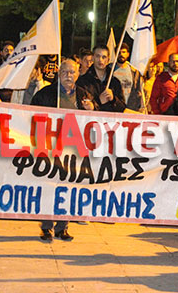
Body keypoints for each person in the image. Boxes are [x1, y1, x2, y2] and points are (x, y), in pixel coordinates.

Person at [31, 59, 95, 241]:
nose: (68, 75)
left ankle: (62, 227)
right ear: (59, 74)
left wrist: (92, 109)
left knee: (67, 188)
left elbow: (95, 121)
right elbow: (31, 114)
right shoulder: (45, 94)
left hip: (72, 150)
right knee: (49, 187)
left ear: (78, 74)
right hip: (50, 148)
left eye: (72, 72)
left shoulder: (84, 96)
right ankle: (46, 227)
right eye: (65, 72)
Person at [77, 44, 125, 112]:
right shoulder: (82, 82)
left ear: (108, 59)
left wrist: (113, 99)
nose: (100, 60)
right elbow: (81, 106)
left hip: (110, 118)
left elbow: (122, 109)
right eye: (98, 56)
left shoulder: (115, 82)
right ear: (93, 58)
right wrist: (99, 101)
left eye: (104, 57)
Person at [113, 42, 146, 113]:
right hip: (115, 108)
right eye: (119, 52)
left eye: (123, 52)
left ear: (128, 54)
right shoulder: (109, 70)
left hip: (131, 108)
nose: (121, 54)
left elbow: (139, 91)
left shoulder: (134, 72)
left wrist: (142, 108)